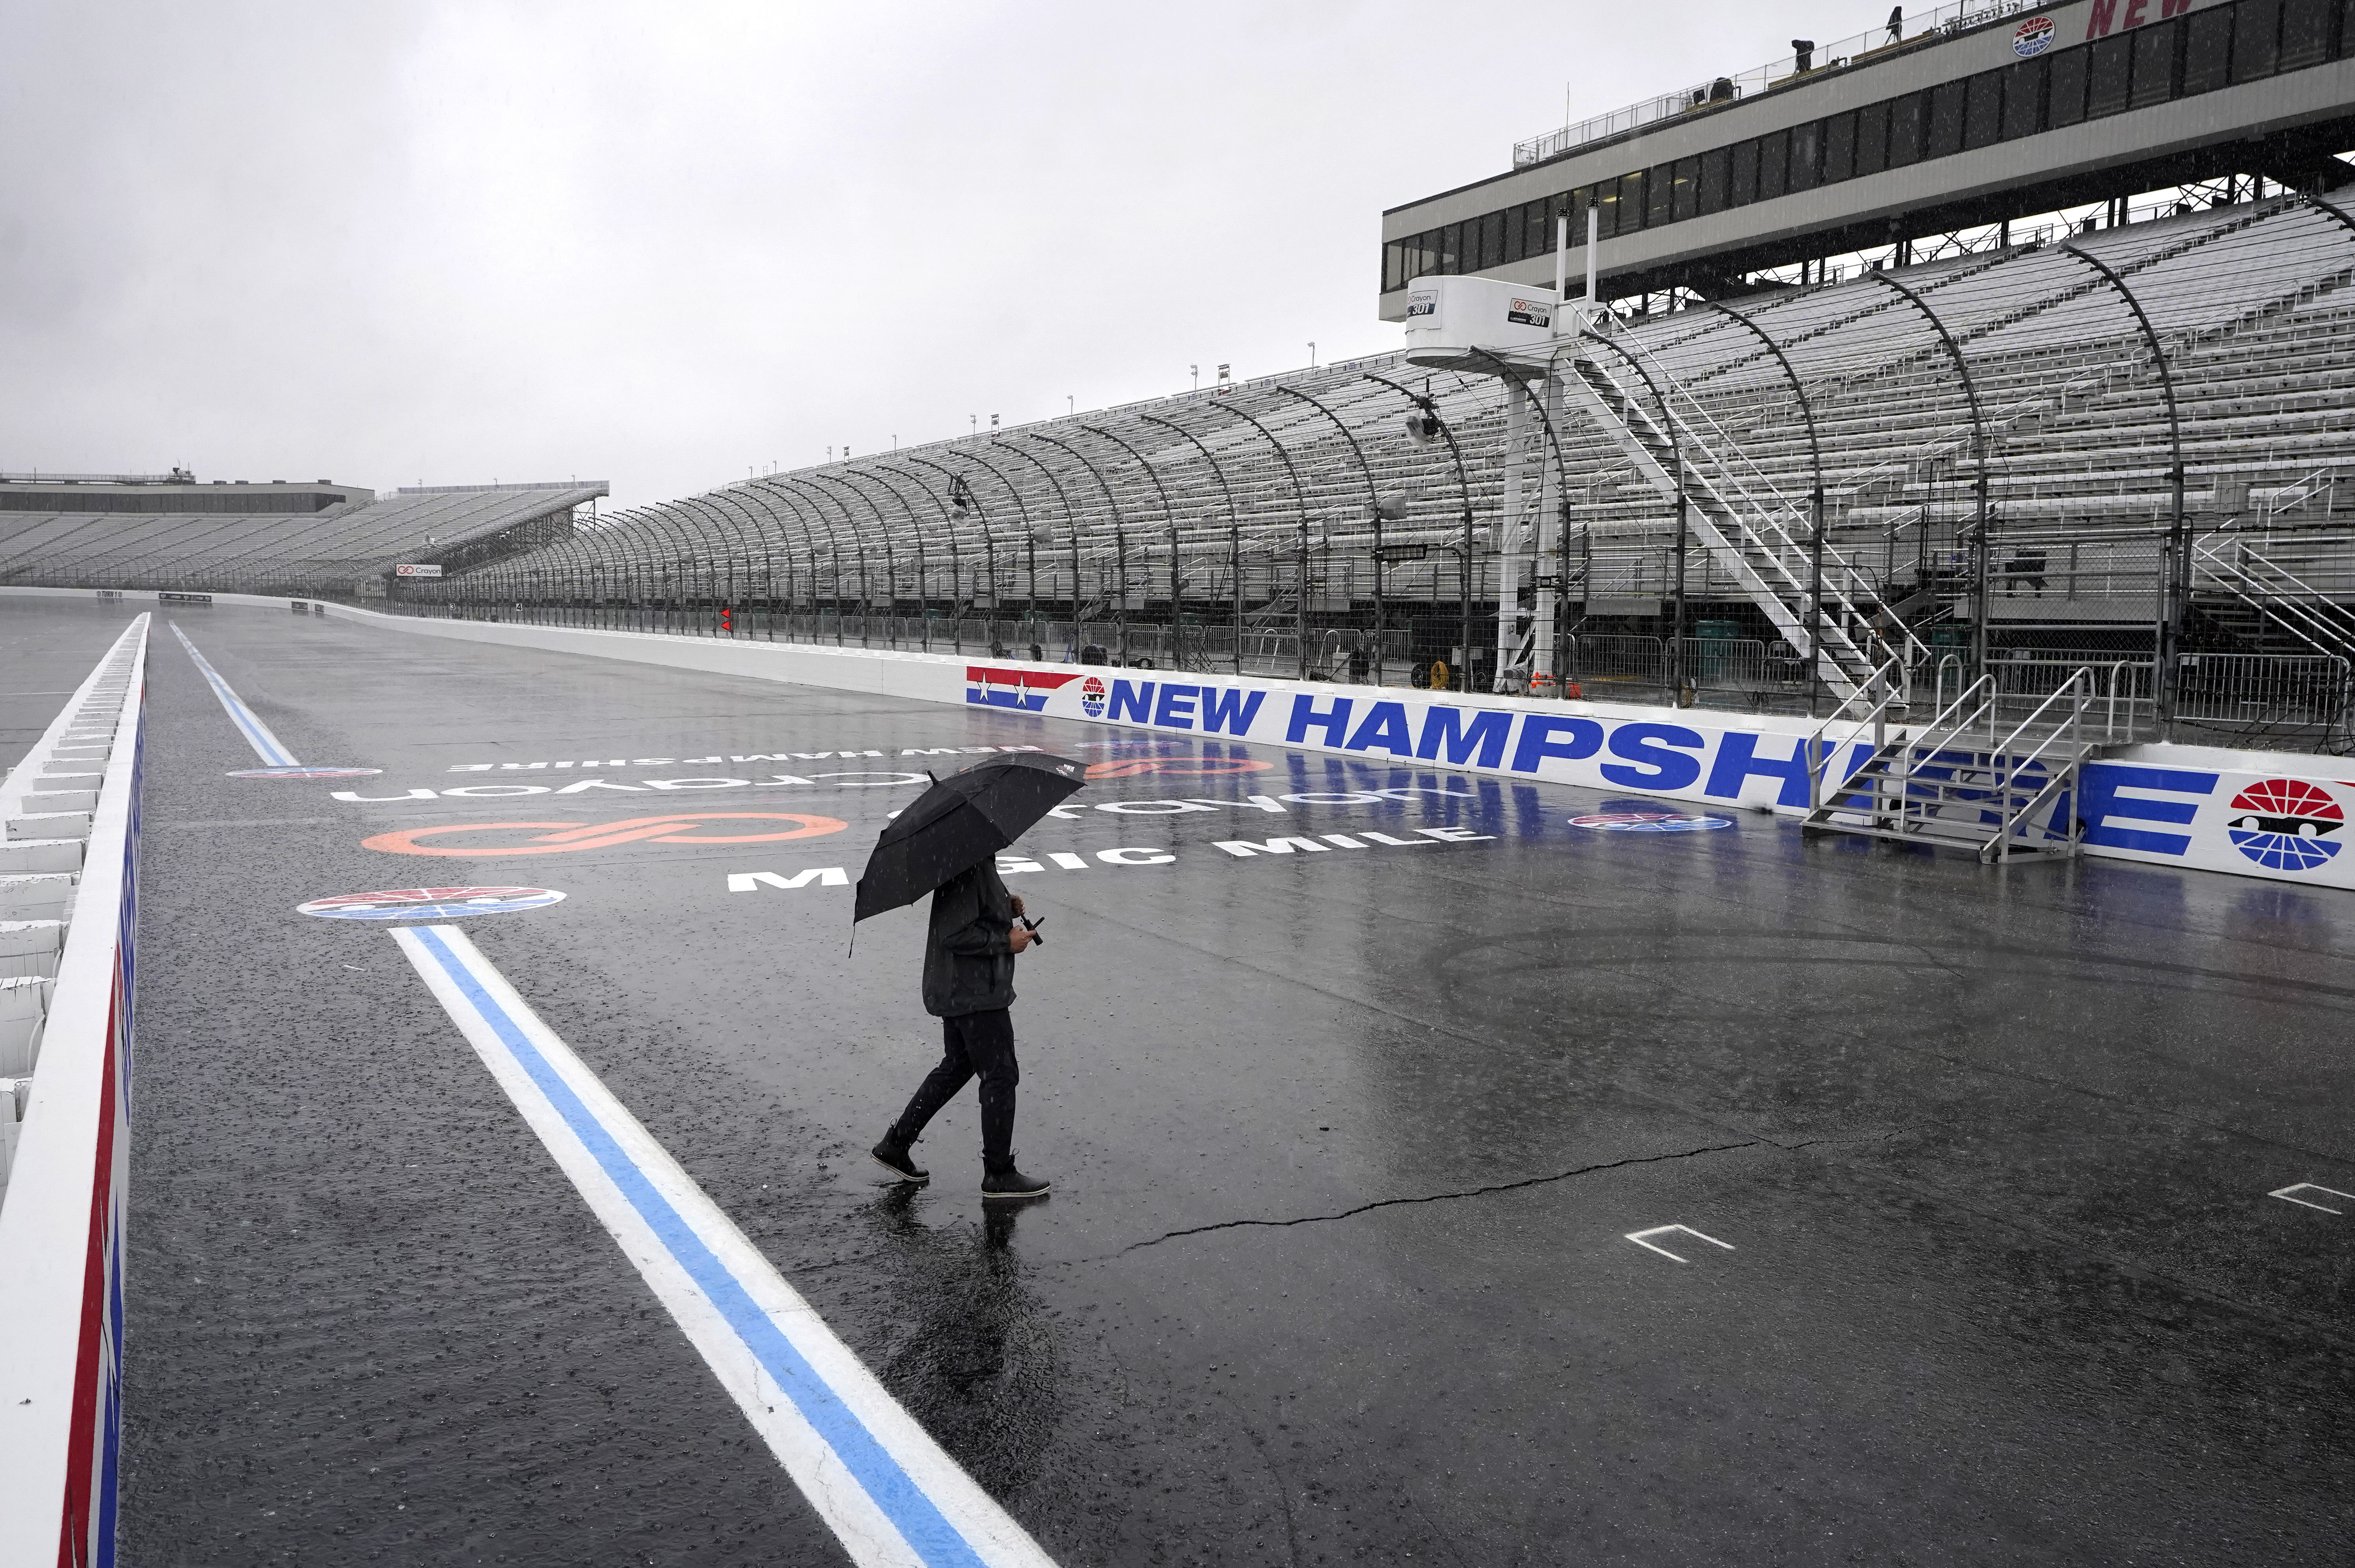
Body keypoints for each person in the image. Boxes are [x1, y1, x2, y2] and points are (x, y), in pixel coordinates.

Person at [871, 859, 1051, 1199]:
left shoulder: (972, 859)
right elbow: (954, 931)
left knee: (958, 1065)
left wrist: (1004, 906)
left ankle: (896, 1144)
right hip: (974, 993)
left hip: (961, 987)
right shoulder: (969, 864)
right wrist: (1004, 941)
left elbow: (968, 914)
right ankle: (998, 1173)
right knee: (1000, 1074)